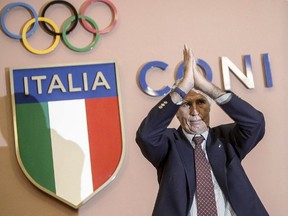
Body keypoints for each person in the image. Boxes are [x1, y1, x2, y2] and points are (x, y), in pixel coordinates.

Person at [135, 45, 269, 216]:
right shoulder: (168, 145)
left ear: (210, 108)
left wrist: (207, 88)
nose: (194, 111)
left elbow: (255, 123)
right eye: (186, 104)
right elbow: (145, 136)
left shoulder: (227, 139)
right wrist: (182, 89)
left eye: (201, 102)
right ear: (175, 112)